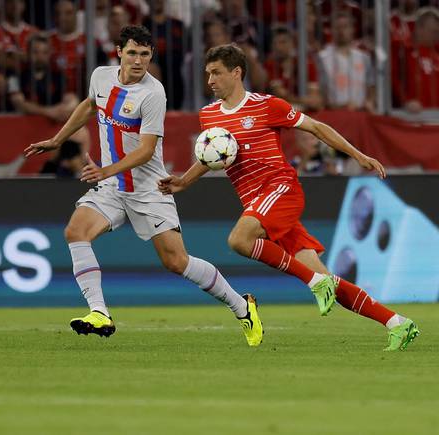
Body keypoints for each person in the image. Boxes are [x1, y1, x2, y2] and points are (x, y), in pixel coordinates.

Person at [159, 44, 419, 352]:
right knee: (327, 279)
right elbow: (212, 156)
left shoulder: (267, 105)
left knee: (239, 240)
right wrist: (184, 181)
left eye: (216, 73)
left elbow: (317, 127)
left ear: (236, 72)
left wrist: (358, 154)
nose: (210, 81)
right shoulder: (209, 114)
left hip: (280, 189)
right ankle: (397, 323)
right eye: (208, 74)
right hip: (256, 204)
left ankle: (315, 283)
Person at [24, 26, 263, 347]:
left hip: (149, 189)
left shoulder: (153, 93)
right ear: (119, 52)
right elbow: (90, 105)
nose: (138, 61)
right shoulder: (101, 77)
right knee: (75, 232)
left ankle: (241, 306)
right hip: (112, 186)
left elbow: (146, 150)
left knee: (176, 261)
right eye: (133, 53)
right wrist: (57, 139)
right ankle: (99, 312)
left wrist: (105, 169)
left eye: (145, 55)